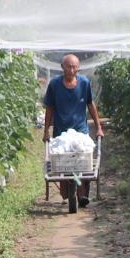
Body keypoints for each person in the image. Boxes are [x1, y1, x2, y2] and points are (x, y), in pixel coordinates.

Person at [42, 54, 103, 210]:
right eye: (68, 66)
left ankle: (82, 195)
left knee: (83, 162)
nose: (71, 69)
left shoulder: (84, 83)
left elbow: (90, 105)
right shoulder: (54, 85)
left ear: (78, 68)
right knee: (63, 165)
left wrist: (99, 127)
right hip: (61, 132)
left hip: (80, 131)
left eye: (74, 66)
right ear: (62, 67)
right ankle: (67, 192)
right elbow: (49, 108)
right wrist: (46, 131)